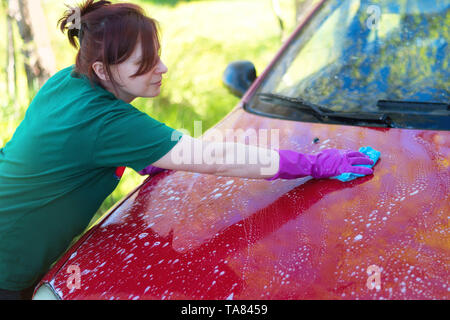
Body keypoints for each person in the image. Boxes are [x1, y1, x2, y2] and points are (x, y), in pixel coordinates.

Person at [0, 0, 374, 300]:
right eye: (144, 63)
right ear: (101, 69)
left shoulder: (66, 82)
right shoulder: (106, 122)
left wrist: (147, 153)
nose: (161, 68)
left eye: (157, 54)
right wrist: (313, 162)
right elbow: (219, 160)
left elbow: (82, 148)